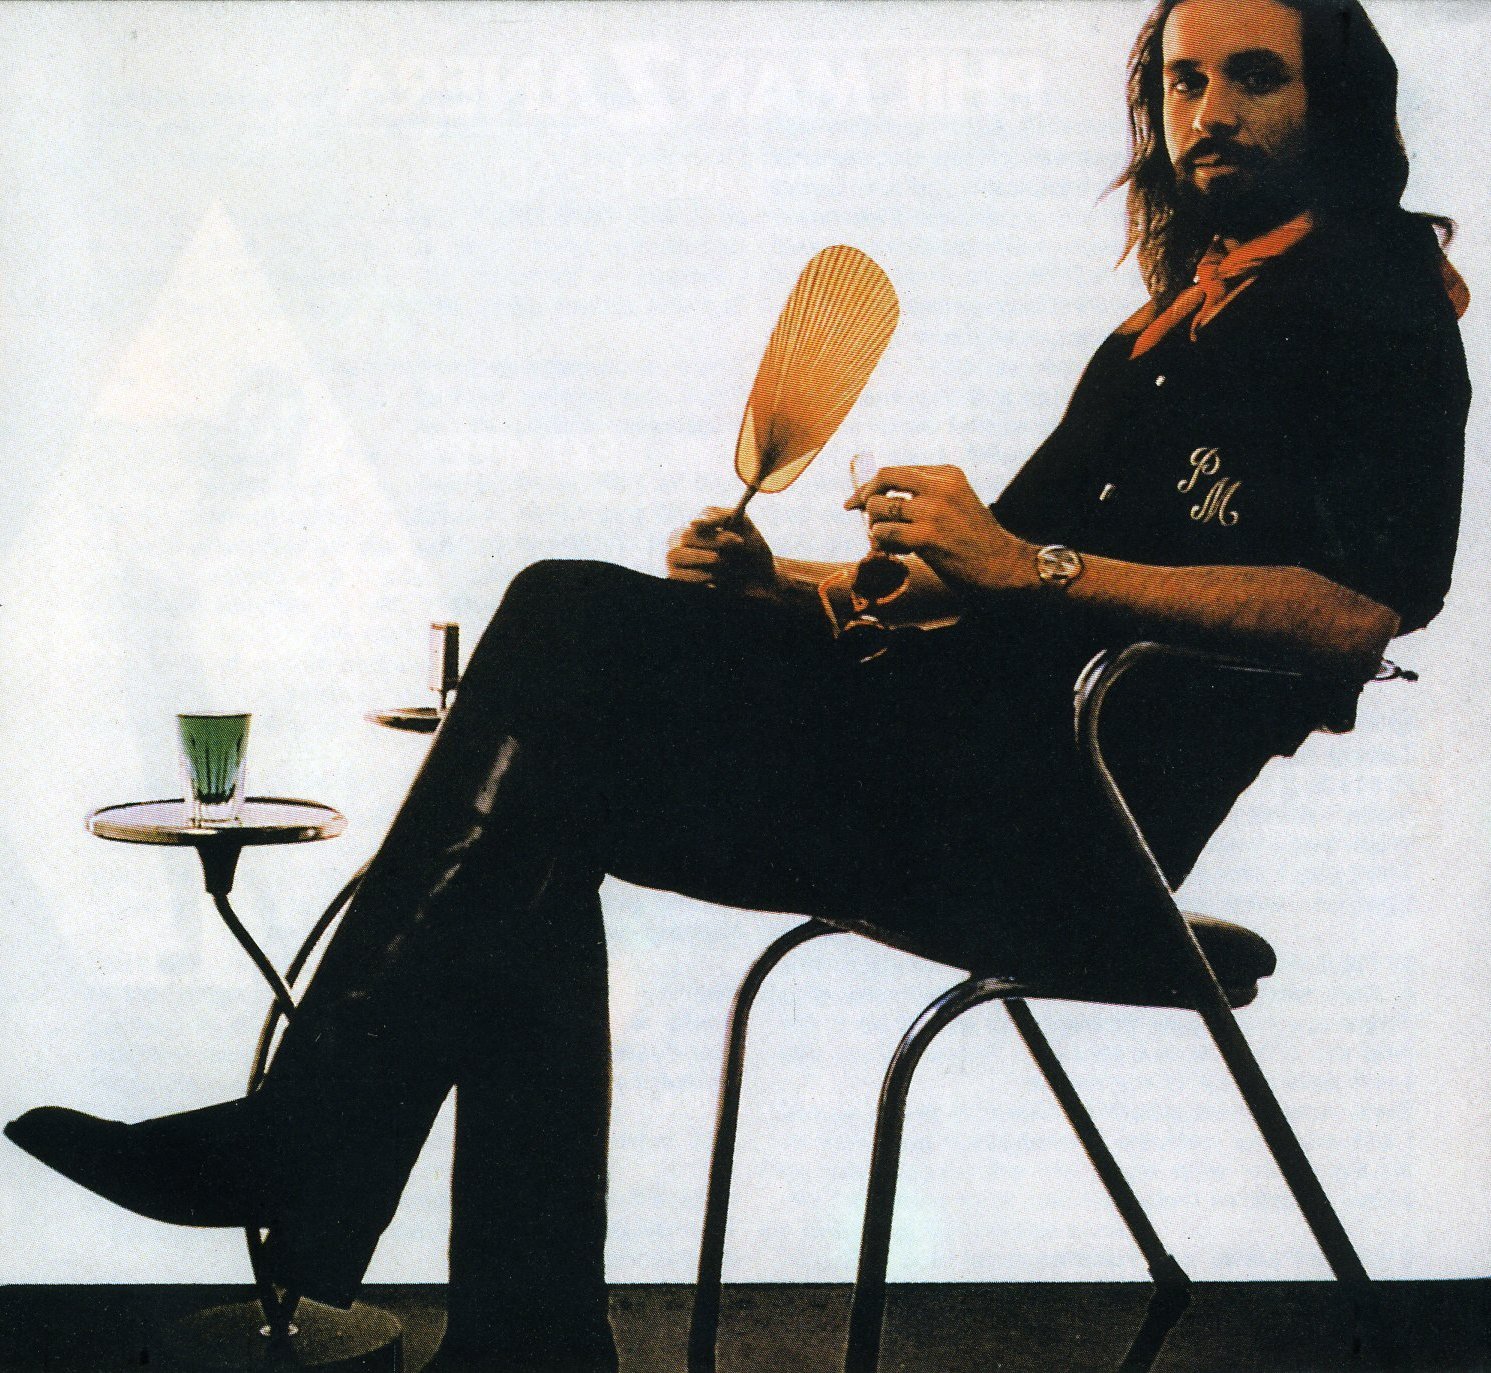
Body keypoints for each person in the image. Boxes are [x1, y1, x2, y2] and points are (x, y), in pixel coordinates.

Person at [6, 1, 1470, 1369]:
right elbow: (976, 583)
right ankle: (516, 1330)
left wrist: (1029, 567)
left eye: (1253, 77)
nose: (1207, 112)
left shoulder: (1387, 313)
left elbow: (1355, 615)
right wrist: (795, 588)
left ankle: (316, 1143)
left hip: (1072, 834)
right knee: (550, 767)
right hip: (958, 769)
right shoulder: (1162, 333)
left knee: (564, 625)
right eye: (1184, 81)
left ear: (1335, 100)